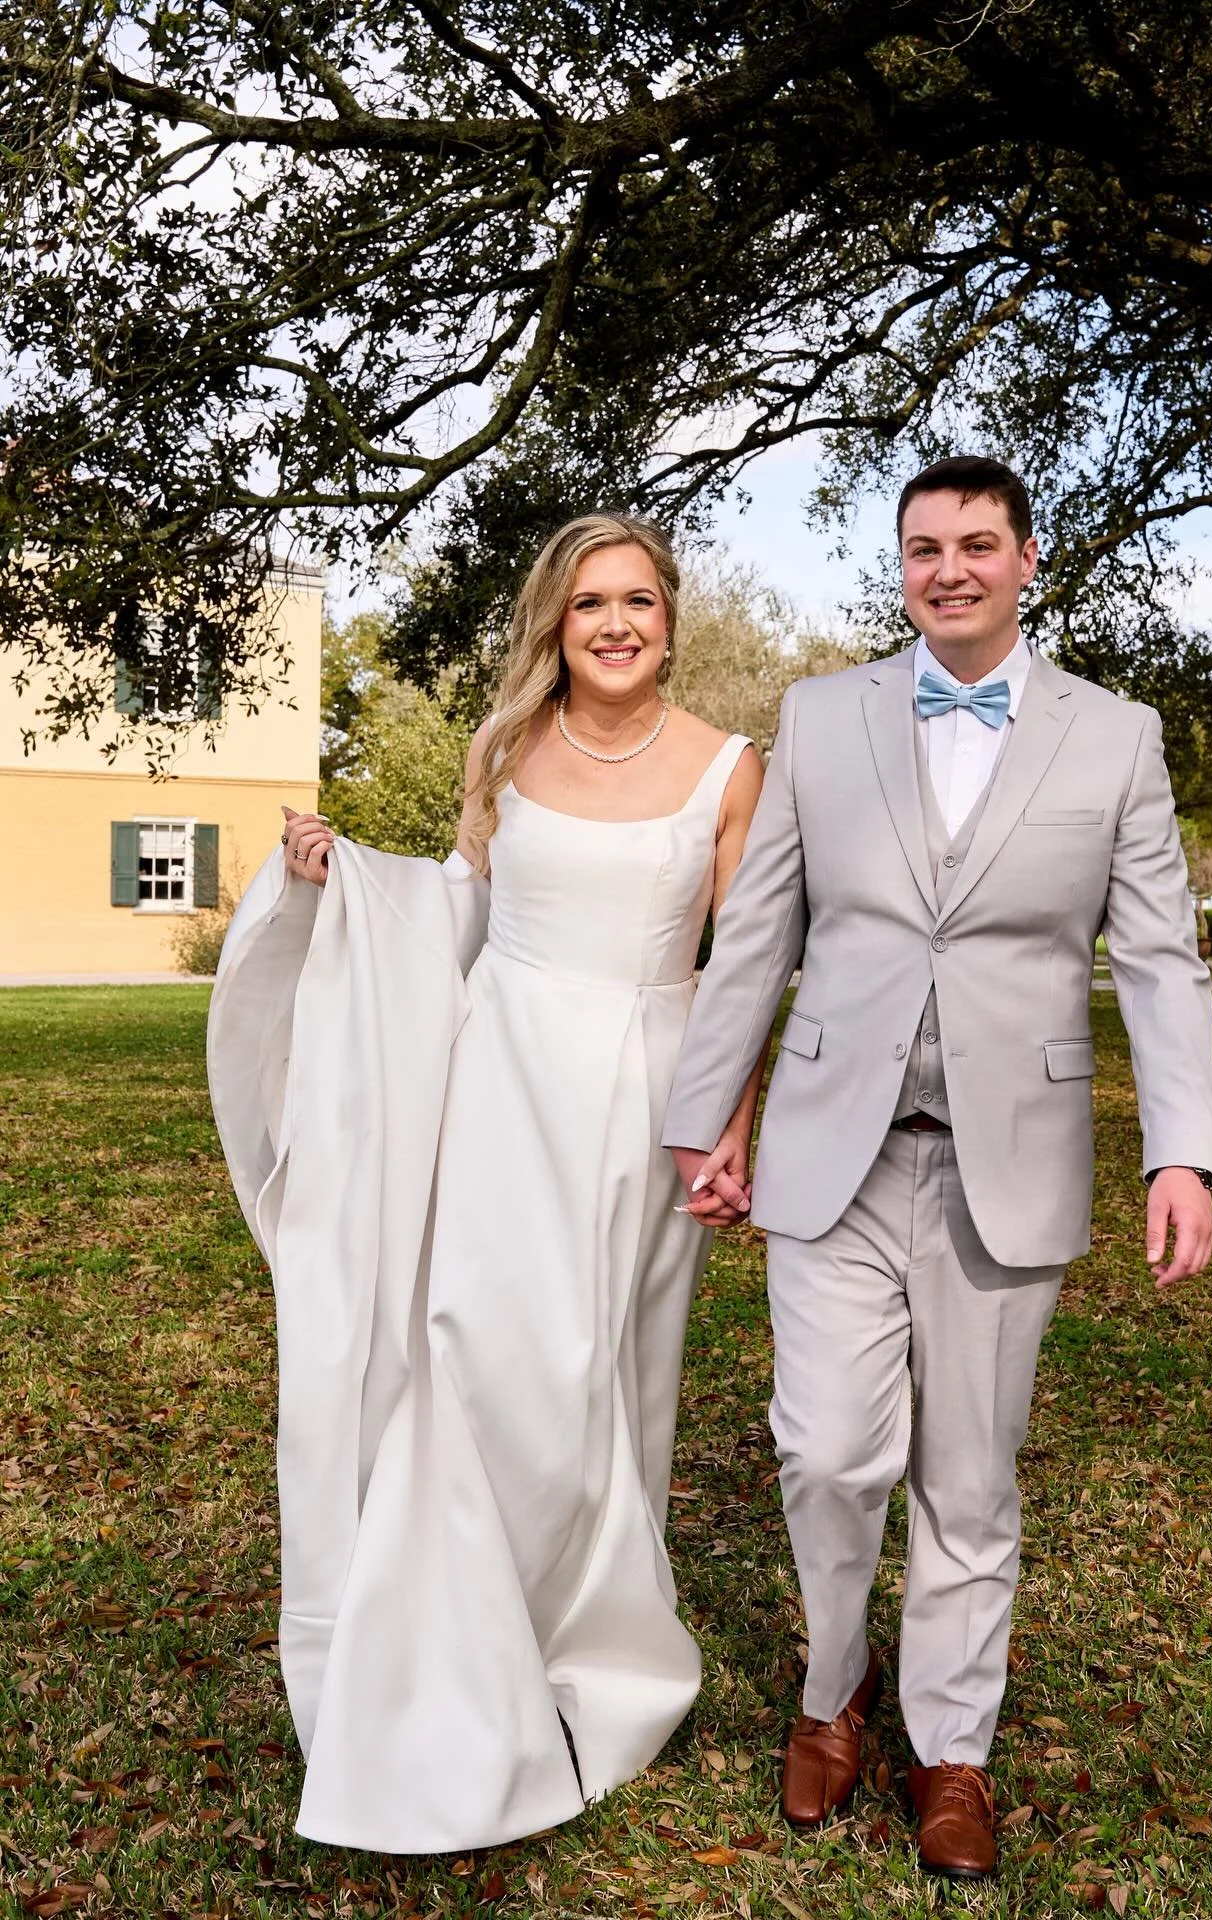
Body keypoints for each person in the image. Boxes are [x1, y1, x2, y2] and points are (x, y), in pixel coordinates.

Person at [663, 456, 1212, 1882]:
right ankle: (831, 1687)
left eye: (979, 544)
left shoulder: (1118, 738)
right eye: (924, 548)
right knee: (828, 1454)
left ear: (1031, 558)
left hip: (1008, 1168)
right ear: (900, 566)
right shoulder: (820, 718)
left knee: (969, 1482)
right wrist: (701, 1110)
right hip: (829, 1157)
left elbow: (1157, 960)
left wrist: (1185, 1154)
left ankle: (953, 1748)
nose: (950, 569)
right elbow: (759, 938)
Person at [208, 514, 763, 1853]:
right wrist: (341, 888)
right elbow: (457, 907)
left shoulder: (735, 767)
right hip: (502, 1078)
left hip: (649, 1091)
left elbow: (746, 961)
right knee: (468, 1348)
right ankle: (443, 1656)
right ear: (555, 626)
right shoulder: (504, 751)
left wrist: (732, 1120)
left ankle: (584, 1638)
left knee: (602, 1371)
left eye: (637, 599)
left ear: (671, 617)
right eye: (589, 606)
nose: (616, 623)